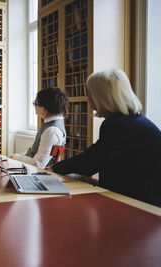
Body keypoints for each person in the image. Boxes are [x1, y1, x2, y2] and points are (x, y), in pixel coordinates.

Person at [51, 69, 161, 207]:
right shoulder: (136, 120)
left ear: (100, 96)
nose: (87, 98)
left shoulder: (117, 124)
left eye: (88, 93)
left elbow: (90, 162)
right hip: (146, 195)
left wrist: (54, 169)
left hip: (138, 203)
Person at [9, 88, 68, 169]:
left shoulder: (52, 131)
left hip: (37, 173)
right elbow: (32, 152)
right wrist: (13, 157)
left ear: (44, 109)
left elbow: (38, 164)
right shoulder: (50, 124)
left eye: (35, 103)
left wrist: (14, 158)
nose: (34, 107)